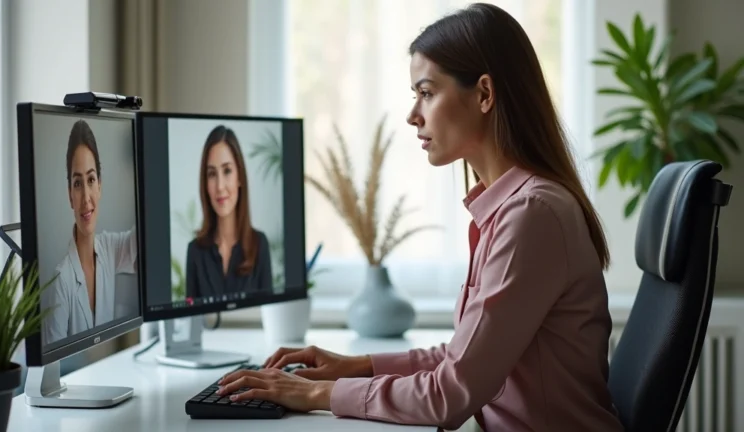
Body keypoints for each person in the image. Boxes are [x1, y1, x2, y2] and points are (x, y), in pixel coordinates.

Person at [215, 3, 625, 432]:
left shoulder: (531, 215)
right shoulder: (512, 207)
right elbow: (462, 360)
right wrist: (355, 366)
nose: (413, 115)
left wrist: (315, 393)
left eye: (426, 93)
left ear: (485, 94)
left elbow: (450, 395)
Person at [43, 119, 138, 345]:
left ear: (100, 186)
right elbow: (52, 369)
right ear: (69, 196)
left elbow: (146, 238)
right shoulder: (61, 282)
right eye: (77, 184)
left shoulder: (110, 249)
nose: (86, 198)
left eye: (91, 179)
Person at [184, 125, 273, 300]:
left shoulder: (259, 245)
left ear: (240, 177)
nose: (220, 186)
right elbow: (191, 321)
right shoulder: (194, 251)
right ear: (205, 183)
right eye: (211, 174)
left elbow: (267, 317)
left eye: (227, 171)